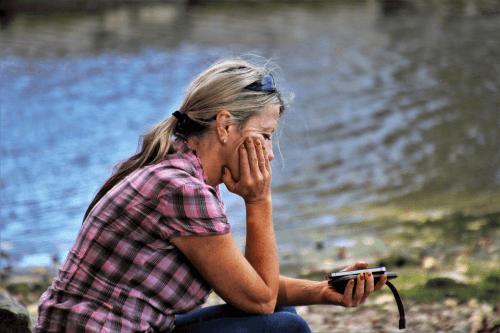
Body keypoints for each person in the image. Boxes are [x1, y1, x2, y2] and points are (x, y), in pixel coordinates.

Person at [34, 58, 387, 333]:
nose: (269, 153)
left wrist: (323, 291)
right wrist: (258, 200)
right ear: (224, 126)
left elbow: (247, 286)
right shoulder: (182, 189)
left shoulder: (180, 173)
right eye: (264, 136)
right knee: (283, 327)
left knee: (283, 315)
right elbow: (260, 299)